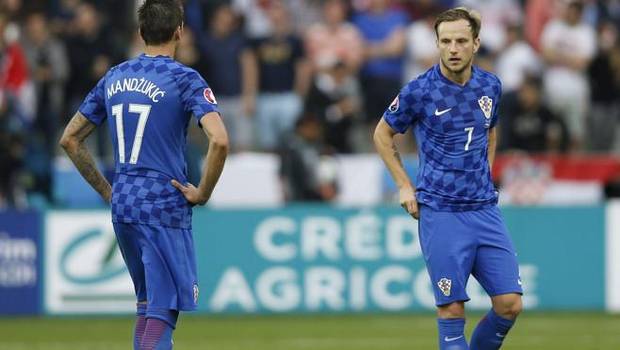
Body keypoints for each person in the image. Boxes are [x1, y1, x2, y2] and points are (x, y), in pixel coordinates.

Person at [59, 1, 229, 349]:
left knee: (147, 305)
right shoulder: (184, 78)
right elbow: (220, 140)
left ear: (140, 33)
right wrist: (203, 193)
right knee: (163, 310)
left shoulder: (115, 76)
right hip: (162, 204)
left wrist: (109, 192)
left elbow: (70, 139)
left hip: (124, 204)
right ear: (179, 30)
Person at [373, 7, 522, 350]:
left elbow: (490, 130)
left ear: (476, 44)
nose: (453, 48)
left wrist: (486, 172)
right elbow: (382, 134)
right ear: (437, 44)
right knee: (452, 307)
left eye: (460, 41)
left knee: (510, 304)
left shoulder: (490, 85)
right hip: (441, 211)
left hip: (484, 209)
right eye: (445, 41)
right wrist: (404, 185)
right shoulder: (420, 90)